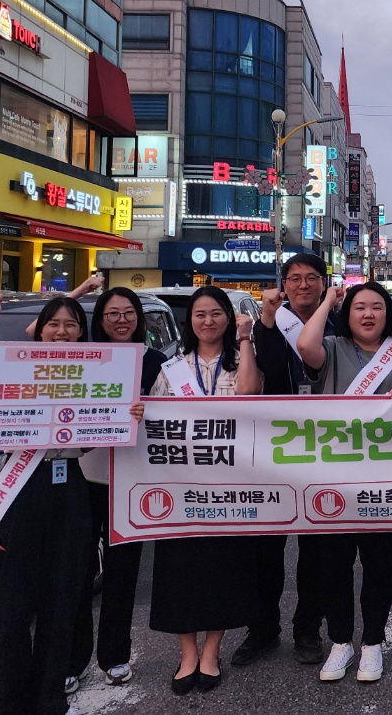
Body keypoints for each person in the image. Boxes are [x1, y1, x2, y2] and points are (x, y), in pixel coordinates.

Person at [0, 293, 94, 715]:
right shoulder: (15, 366)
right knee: (11, 603)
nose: (62, 331)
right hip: (20, 492)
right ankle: (3, 702)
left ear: (81, 331)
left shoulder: (94, 372)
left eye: (71, 324)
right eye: (54, 324)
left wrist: (129, 414)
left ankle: (50, 698)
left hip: (69, 491)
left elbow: (97, 438)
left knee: (61, 597)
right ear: (41, 329)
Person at [297, 280, 392, 683]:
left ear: (387, 314)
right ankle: (341, 641)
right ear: (347, 314)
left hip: (383, 480)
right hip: (334, 480)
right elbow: (306, 346)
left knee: (379, 565)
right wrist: (328, 302)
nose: (369, 314)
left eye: (376, 307)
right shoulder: (333, 350)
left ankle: (373, 641)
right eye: (359, 307)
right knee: (334, 566)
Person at [146, 286, 263, 695]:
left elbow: (250, 394)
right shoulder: (172, 368)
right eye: (200, 314)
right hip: (181, 491)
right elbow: (154, 424)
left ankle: (211, 650)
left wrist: (246, 339)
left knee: (221, 569)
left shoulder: (240, 362)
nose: (208, 321)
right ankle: (187, 653)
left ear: (228, 319)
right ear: (190, 321)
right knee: (179, 570)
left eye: (216, 313)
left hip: (228, 489)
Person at [231, 254, 332, 669]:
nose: (303, 285)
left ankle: (307, 629)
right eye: (295, 279)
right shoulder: (269, 323)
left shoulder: (339, 321)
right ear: (284, 285)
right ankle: (262, 629)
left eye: (311, 278)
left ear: (323, 284)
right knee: (264, 548)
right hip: (274, 451)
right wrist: (268, 322)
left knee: (317, 551)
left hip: (328, 452)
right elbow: (269, 371)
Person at [68, 289, 168, 692]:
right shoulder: (81, 357)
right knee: (77, 572)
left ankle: (115, 656)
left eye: (129, 313)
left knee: (122, 575)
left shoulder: (156, 362)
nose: (121, 319)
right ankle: (71, 660)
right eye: (112, 313)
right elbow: (35, 336)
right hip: (84, 479)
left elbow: (170, 417)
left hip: (131, 482)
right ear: (100, 319)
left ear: (139, 318)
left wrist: (151, 412)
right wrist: (76, 296)